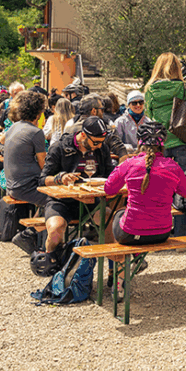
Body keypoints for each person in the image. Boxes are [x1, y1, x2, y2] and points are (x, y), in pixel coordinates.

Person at [103, 122, 186, 300]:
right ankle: (135, 259)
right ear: (164, 143)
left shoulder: (130, 163)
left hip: (131, 232)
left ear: (139, 142)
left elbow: (109, 189)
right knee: (128, 218)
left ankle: (119, 280)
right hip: (162, 232)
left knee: (118, 214)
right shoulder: (172, 166)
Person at [33, 117, 115, 273]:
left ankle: (115, 270)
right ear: (83, 135)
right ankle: (55, 270)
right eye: (95, 143)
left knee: (110, 220)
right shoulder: (60, 147)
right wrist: (60, 178)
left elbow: (108, 175)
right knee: (56, 228)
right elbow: (43, 180)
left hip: (90, 201)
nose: (98, 147)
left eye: (101, 143)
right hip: (62, 201)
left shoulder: (101, 149)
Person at [144, 52, 186, 237]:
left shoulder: (150, 90)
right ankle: (182, 232)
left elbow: (149, 115)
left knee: (159, 186)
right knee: (182, 186)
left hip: (159, 144)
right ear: (177, 68)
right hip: (183, 141)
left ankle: (159, 229)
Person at [2, 91, 49, 208]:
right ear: (39, 113)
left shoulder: (14, 127)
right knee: (59, 200)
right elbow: (44, 165)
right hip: (26, 188)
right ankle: (35, 226)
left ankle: (37, 222)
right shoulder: (36, 132)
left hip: (11, 186)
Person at [64, 94, 130, 163]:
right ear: (94, 111)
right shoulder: (103, 129)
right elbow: (121, 150)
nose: (103, 113)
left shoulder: (69, 128)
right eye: (102, 110)